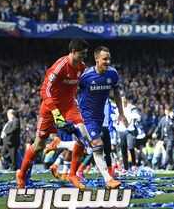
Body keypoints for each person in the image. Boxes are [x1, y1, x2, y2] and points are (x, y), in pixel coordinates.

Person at [16, 39, 90, 189]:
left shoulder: (82, 67)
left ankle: (73, 175)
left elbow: (79, 87)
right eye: (82, 54)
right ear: (73, 52)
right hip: (51, 107)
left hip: (69, 106)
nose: (84, 57)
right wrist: (56, 112)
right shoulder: (60, 66)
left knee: (83, 135)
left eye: (86, 54)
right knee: (38, 145)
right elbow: (44, 90)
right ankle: (21, 174)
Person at [77, 46, 127, 188]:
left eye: (109, 59)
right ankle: (108, 179)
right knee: (98, 145)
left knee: (82, 146)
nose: (108, 61)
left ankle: (59, 146)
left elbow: (116, 92)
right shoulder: (86, 76)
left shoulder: (112, 74)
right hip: (86, 116)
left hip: (99, 116)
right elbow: (73, 91)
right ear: (96, 59)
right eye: (105, 59)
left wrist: (121, 113)